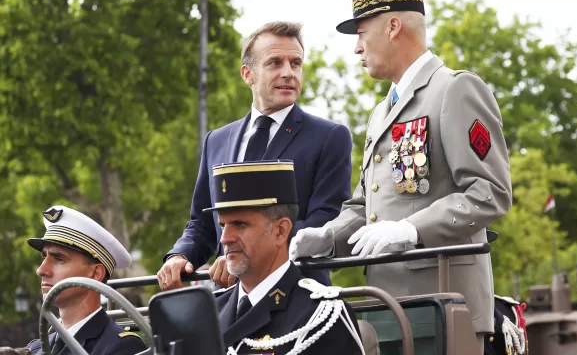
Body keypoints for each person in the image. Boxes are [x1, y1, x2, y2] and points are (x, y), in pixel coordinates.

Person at [289, 0, 512, 354]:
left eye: (361, 33)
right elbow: (366, 205)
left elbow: (490, 192)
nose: (357, 48)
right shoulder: (381, 112)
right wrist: (329, 238)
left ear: (393, 26)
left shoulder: (454, 89)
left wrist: (411, 229)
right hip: (384, 305)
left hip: (443, 305)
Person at [158, 21, 353, 289]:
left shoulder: (329, 136)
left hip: (296, 297)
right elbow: (202, 223)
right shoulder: (217, 140)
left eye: (295, 63)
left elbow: (325, 221)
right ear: (248, 74)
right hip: (229, 301)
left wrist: (244, 252)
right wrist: (180, 255)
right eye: (275, 63)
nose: (288, 72)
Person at [206, 160, 363, 354]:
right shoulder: (207, 314)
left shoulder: (320, 317)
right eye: (223, 225)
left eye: (239, 224)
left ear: (281, 231)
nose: (225, 238)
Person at [26, 205, 147, 355]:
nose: (41, 270)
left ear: (96, 273)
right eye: (44, 257)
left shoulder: (122, 347)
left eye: (59, 259)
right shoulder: (34, 349)